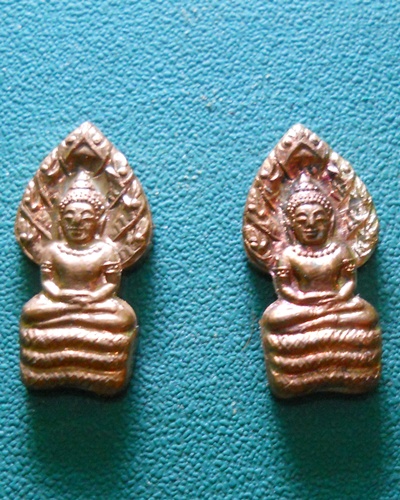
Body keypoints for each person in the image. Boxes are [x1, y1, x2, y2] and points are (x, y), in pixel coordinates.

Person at [261, 178, 381, 397]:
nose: (311, 225)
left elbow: (349, 282)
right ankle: (299, 376)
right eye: (302, 220)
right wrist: (301, 299)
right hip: (301, 307)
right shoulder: (288, 254)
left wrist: (340, 297)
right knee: (274, 318)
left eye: (319, 219)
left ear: (331, 221)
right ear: (290, 225)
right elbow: (285, 287)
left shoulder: (341, 250)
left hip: (337, 304)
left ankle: (351, 372)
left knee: (366, 314)